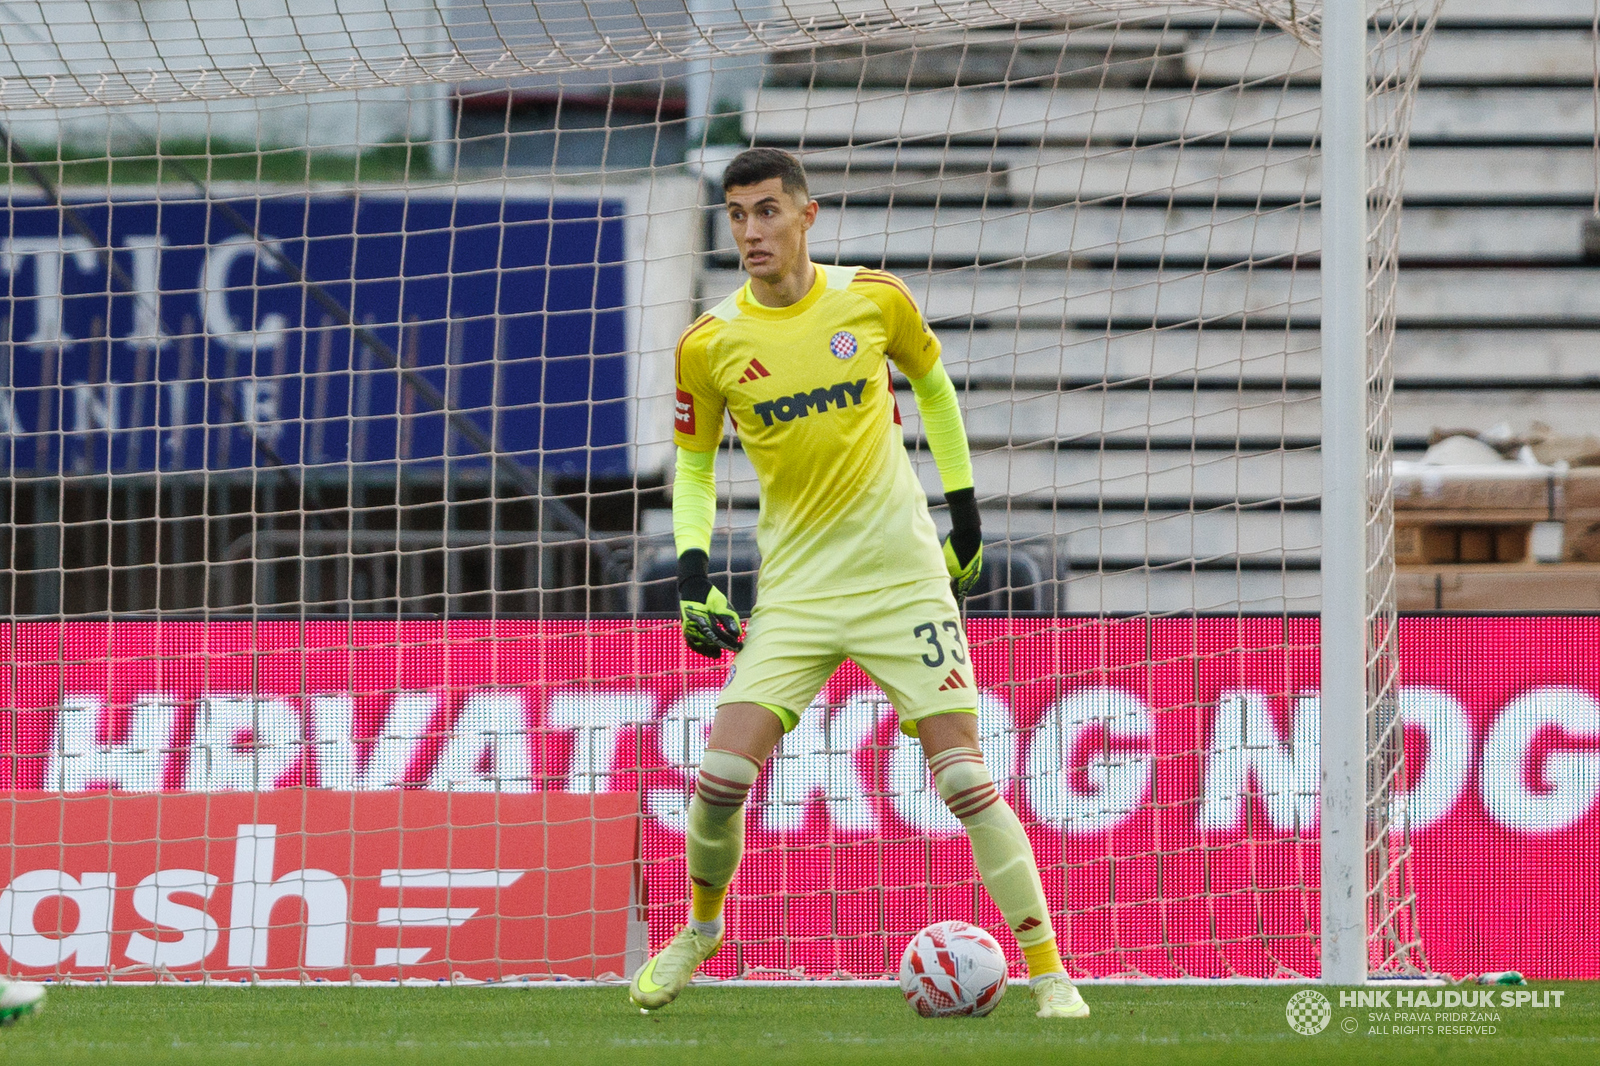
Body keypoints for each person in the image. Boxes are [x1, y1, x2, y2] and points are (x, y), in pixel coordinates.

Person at [630, 147, 1088, 1020]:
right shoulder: (711, 342)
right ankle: (701, 927)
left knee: (963, 779)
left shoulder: (873, 301)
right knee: (721, 776)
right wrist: (692, 575)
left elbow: (937, 390)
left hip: (901, 581)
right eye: (736, 215)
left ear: (807, 214)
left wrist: (964, 515)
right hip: (798, 590)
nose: (750, 231)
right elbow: (691, 470)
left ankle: (1048, 969)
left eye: (767, 211)